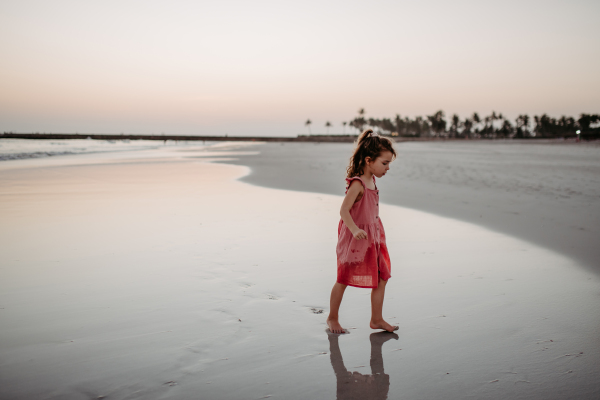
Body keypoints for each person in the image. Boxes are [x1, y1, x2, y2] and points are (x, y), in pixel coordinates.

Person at [326, 129, 398, 334]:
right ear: (369, 160)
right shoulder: (357, 184)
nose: (387, 168)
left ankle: (376, 319)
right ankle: (332, 318)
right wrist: (355, 229)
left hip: (373, 237)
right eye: (384, 163)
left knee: (382, 276)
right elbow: (343, 211)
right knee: (344, 278)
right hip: (354, 237)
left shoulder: (372, 181)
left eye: (389, 164)